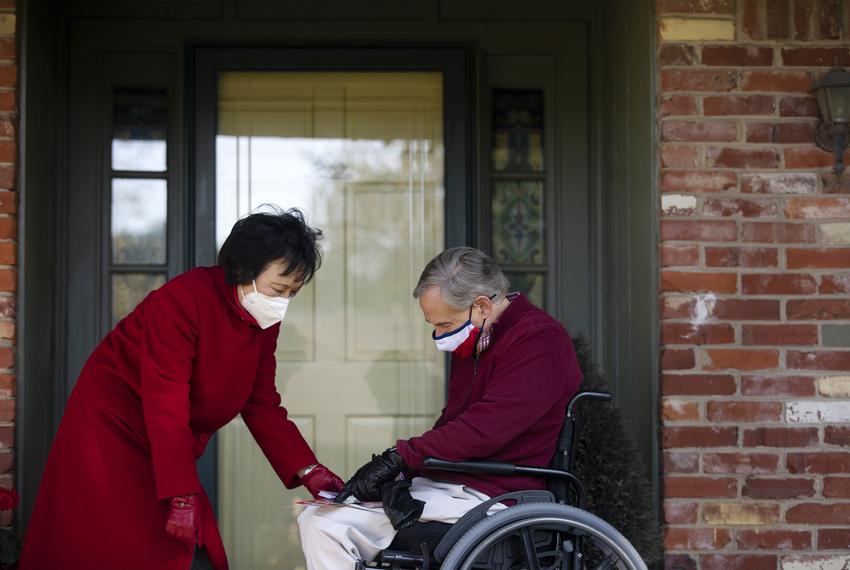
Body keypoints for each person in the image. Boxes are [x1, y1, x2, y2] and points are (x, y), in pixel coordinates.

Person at [20, 208, 344, 570]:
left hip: (168, 442)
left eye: (292, 293)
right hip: (114, 429)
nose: (282, 302)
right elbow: (166, 400)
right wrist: (181, 493)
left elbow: (261, 403)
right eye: (277, 289)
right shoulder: (181, 301)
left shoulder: (262, 321)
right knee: (114, 542)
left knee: (179, 545)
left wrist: (308, 469)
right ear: (244, 271)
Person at [297, 246, 583, 569]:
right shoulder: (480, 339)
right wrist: (405, 470)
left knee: (324, 526)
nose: (439, 336)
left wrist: (402, 457)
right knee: (321, 517)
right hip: (454, 485)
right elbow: (452, 424)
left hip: (494, 494)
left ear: (482, 306)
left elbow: (482, 430)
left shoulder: (539, 341)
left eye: (445, 324)